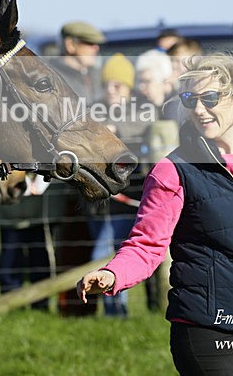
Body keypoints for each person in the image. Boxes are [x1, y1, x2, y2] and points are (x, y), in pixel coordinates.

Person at [78, 53, 233, 374]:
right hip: (205, 326)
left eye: (210, 98)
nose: (198, 109)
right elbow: (146, 246)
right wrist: (113, 275)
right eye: (190, 99)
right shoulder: (172, 171)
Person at [45, 20, 105, 316]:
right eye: (89, 43)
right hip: (66, 178)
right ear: (70, 44)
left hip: (94, 172)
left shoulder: (94, 75)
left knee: (94, 242)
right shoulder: (53, 78)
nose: (96, 50)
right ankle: (72, 308)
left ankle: (94, 306)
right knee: (70, 243)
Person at [87, 54, 141, 317]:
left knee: (106, 253)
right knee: (105, 252)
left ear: (129, 89)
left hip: (125, 202)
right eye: (107, 84)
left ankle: (116, 312)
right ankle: (113, 313)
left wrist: (114, 131)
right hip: (97, 204)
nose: (111, 90)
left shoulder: (139, 113)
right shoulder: (94, 110)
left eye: (117, 85)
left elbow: (139, 138)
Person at [0, 175, 53, 311]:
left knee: (39, 263)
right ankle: (10, 305)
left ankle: (41, 305)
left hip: (37, 214)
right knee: (10, 262)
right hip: (9, 215)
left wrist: (38, 184)